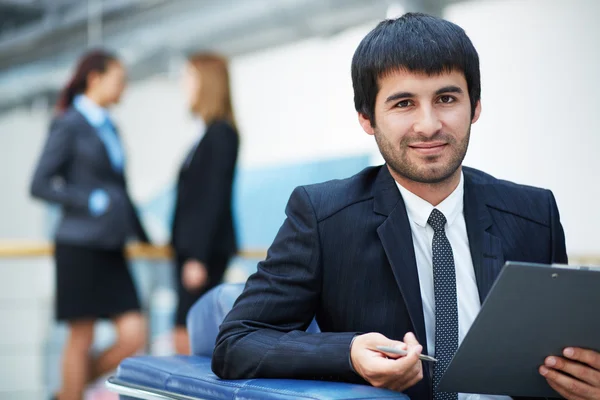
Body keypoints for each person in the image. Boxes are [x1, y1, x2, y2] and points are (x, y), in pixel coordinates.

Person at [211, 13, 600, 400]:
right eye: (404, 104)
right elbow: (237, 342)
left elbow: (563, 352)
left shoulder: (535, 215)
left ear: (475, 106)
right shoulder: (323, 216)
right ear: (367, 118)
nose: (428, 125)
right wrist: (348, 353)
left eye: (446, 99)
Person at [30, 49, 149, 400]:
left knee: (133, 334)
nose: (124, 86)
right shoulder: (68, 123)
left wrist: (143, 236)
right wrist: (87, 200)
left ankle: (67, 393)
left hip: (112, 246)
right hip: (79, 245)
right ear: (95, 78)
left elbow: (121, 189)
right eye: (119, 79)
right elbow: (39, 183)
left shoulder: (110, 125)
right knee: (81, 338)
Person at [170, 53, 239, 354]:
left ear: (206, 83)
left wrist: (197, 256)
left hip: (202, 254)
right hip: (194, 252)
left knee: (188, 334)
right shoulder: (209, 134)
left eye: (189, 77)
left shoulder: (221, 134)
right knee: (186, 332)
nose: (184, 85)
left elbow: (212, 198)